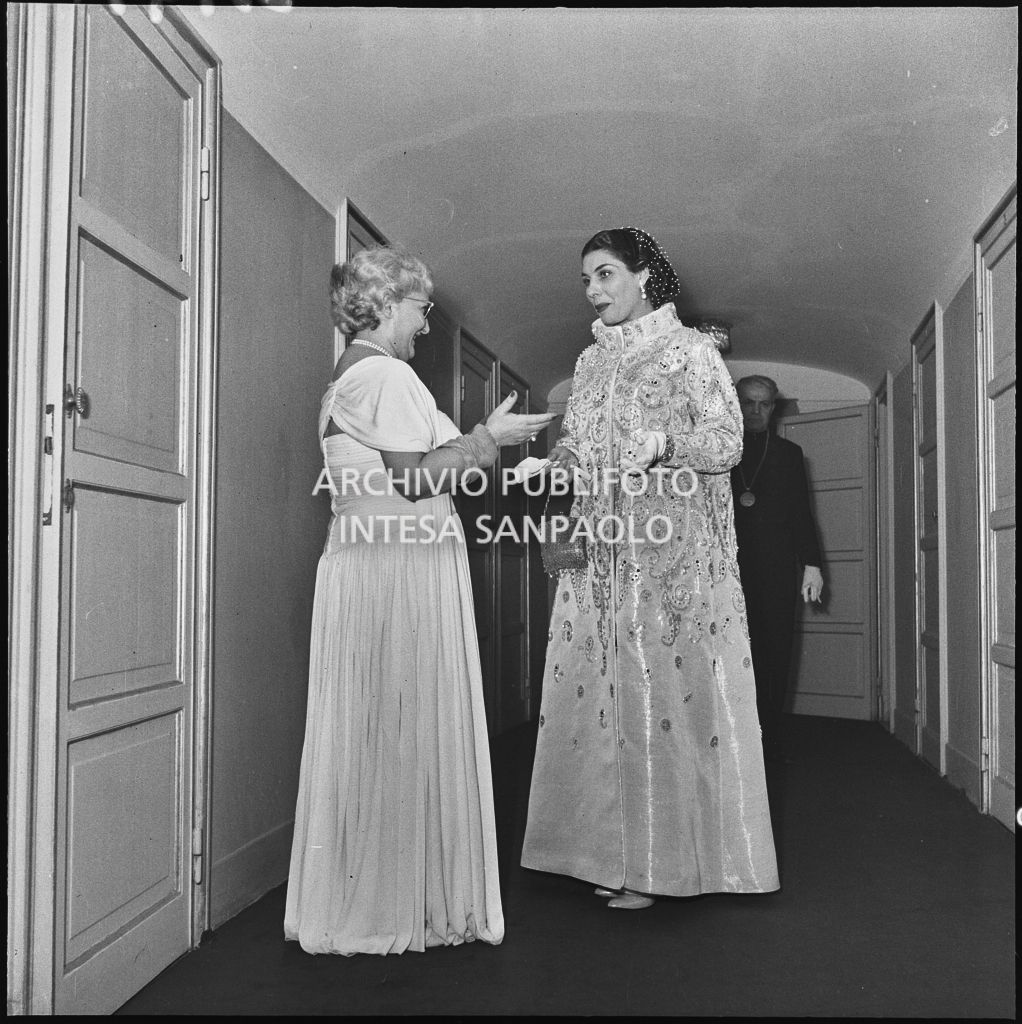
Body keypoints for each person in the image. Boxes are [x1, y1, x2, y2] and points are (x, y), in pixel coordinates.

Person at [285, 245, 553, 954]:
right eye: (420, 309)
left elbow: (443, 462)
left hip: (368, 562)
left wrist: (503, 450)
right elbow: (415, 479)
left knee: (378, 732)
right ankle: (394, 904)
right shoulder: (384, 374)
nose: (425, 325)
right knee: (401, 726)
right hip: (399, 566)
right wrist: (485, 439)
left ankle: (373, 892)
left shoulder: (350, 377)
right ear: (386, 303)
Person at [521, 228, 778, 910]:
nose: (593, 290)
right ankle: (607, 854)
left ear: (644, 277)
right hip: (599, 554)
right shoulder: (590, 360)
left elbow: (726, 442)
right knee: (597, 699)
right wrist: (558, 462)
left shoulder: (691, 350)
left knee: (656, 700)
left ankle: (658, 867)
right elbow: (578, 436)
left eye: (605, 274)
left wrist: (664, 443)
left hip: (668, 559)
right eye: (586, 279)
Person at [730, 375, 824, 762]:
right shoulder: (718, 454)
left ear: (774, 407)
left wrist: (813, 565)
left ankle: (768, 740)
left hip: (775, 572)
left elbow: (802, 514)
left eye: (763, 404)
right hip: (728, 572)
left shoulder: (788, 454)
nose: (755, 411)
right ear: (735, 403)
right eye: (748, 402)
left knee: (774, 653)